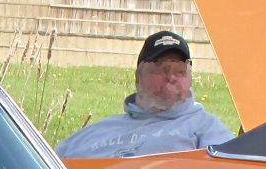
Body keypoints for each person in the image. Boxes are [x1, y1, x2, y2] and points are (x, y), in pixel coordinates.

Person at [55, 30, 233, 158]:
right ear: (138, 78)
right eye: (161, 69)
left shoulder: (205, 128)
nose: (171, 78)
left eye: (180, 71)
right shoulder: (94, 134)